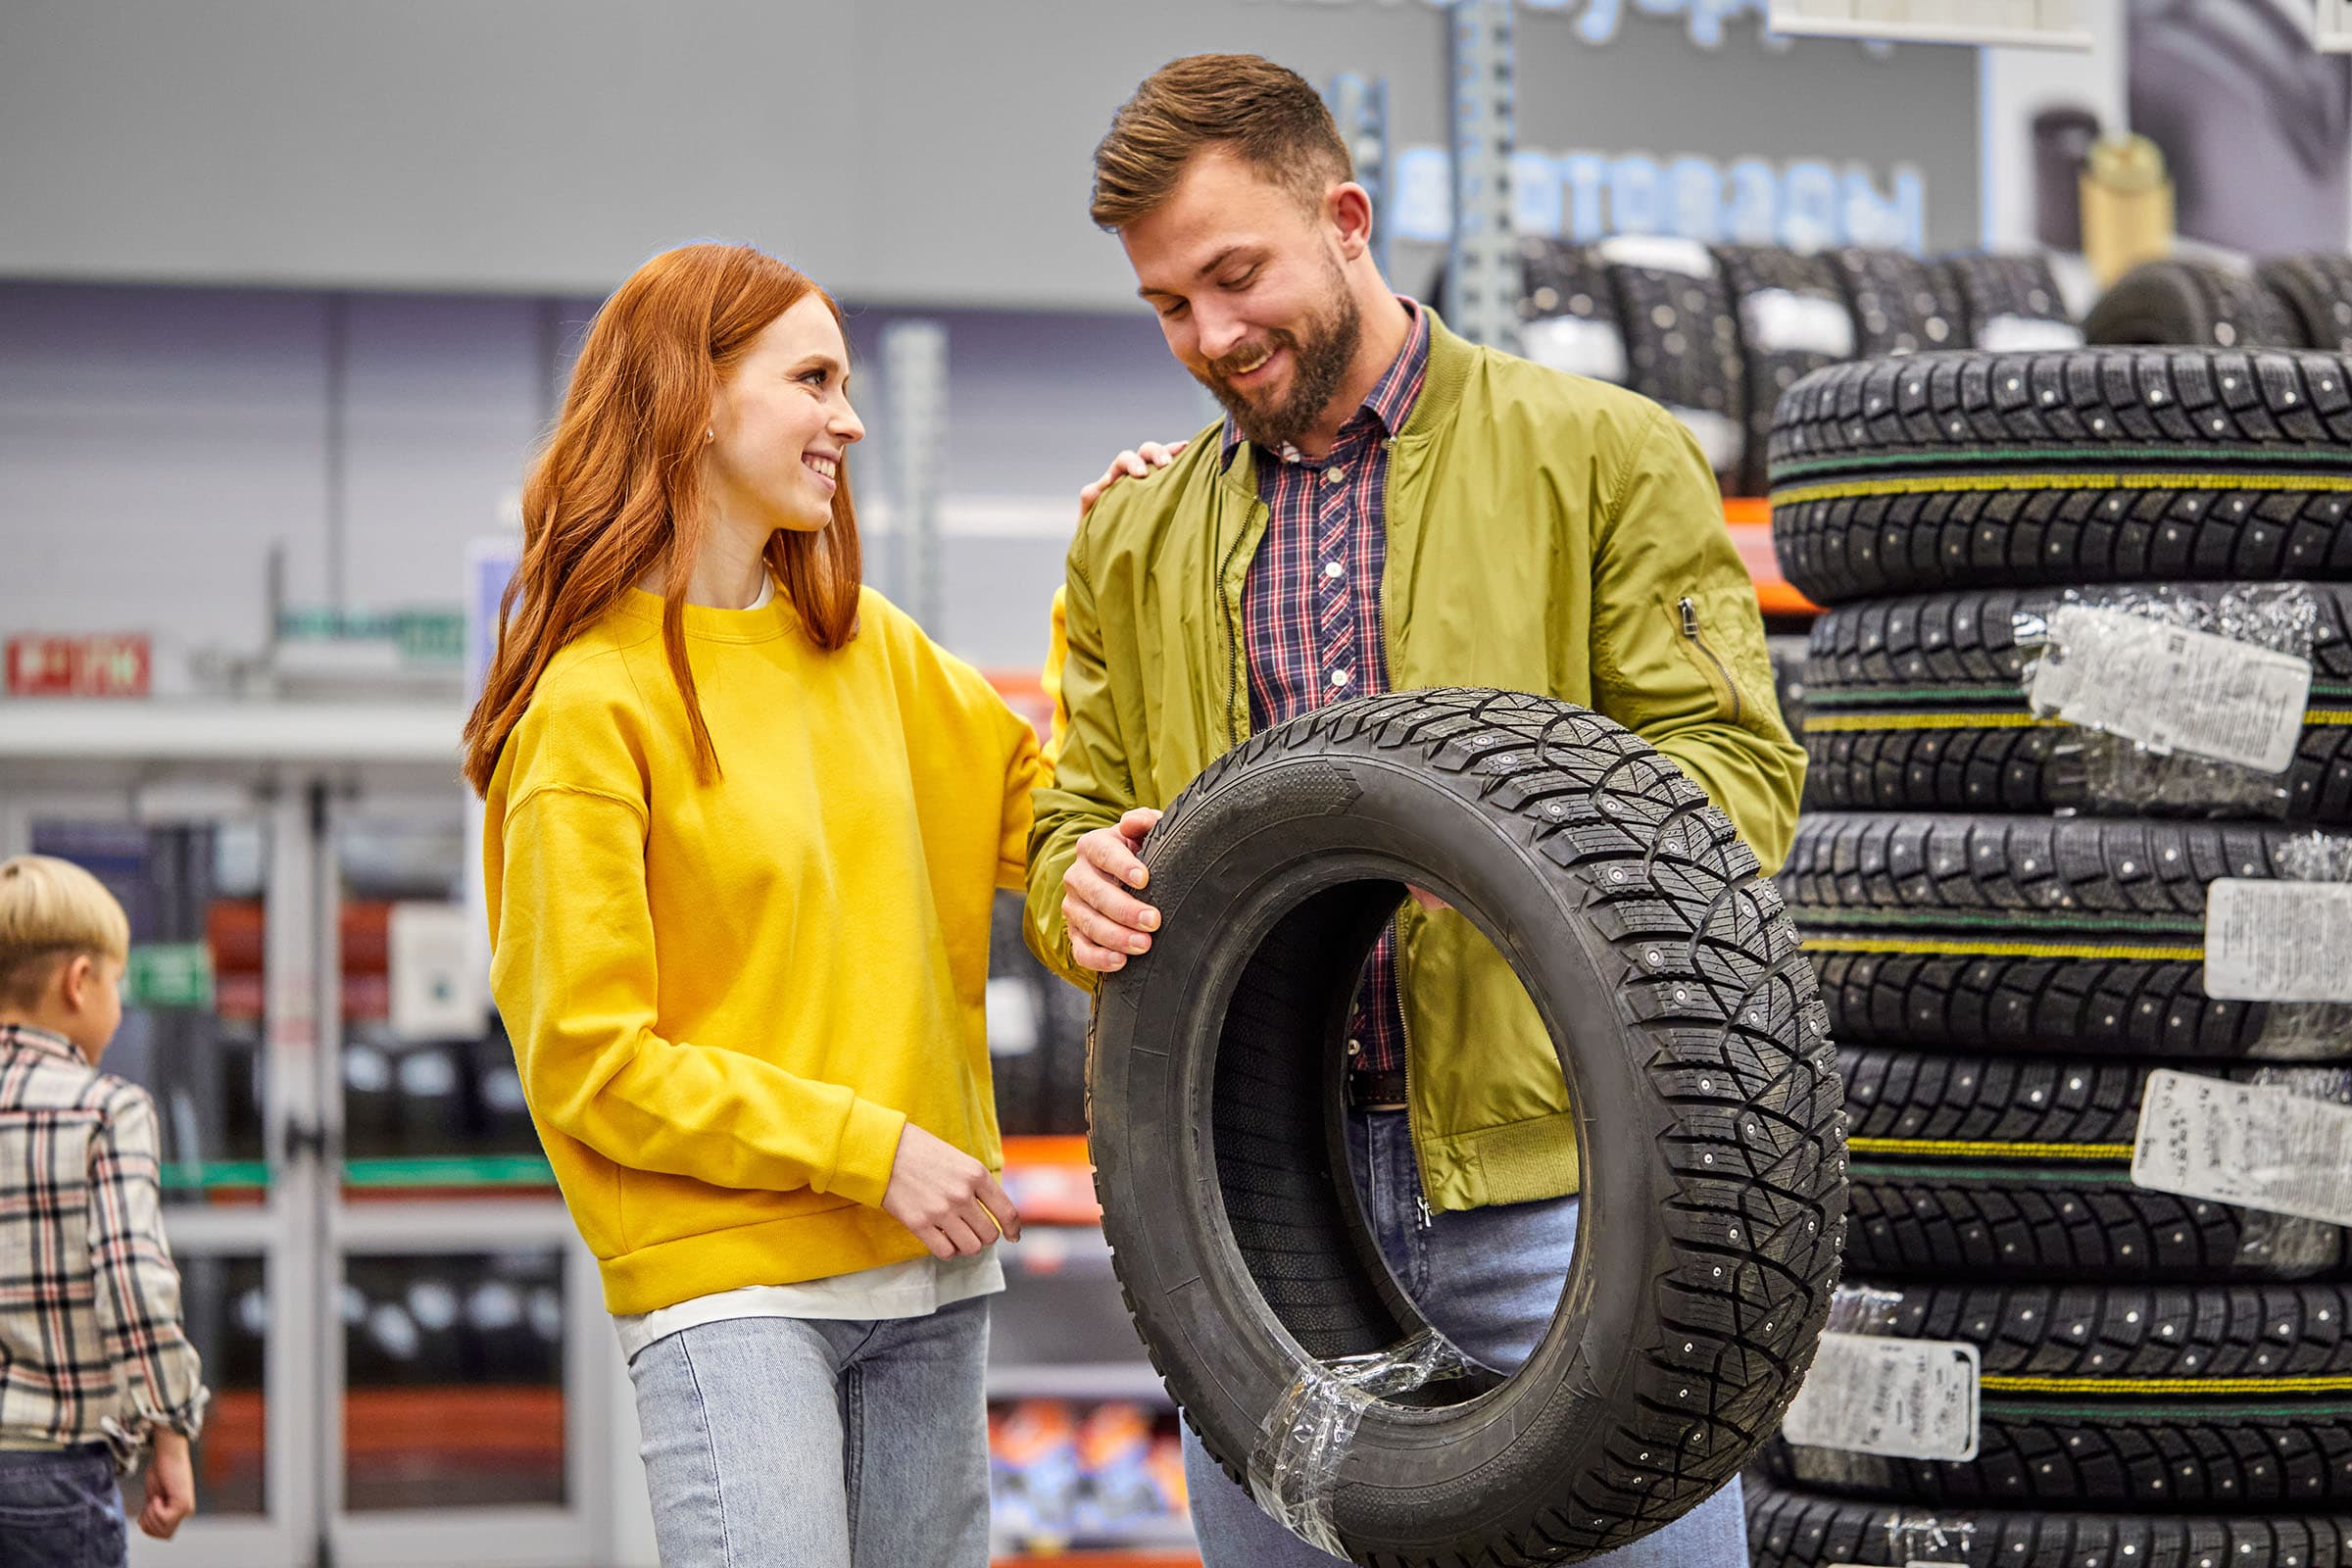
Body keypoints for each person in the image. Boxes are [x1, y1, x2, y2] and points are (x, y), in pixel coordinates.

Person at [1025, 56, 1805, 1566]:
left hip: (1560, 1185)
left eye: (1237, 276)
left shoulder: (1601, 456)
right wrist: (1082, 886)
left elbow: (1740, 783)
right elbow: (1079, 813)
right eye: (1171, 306)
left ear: (1348, 219)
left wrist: (1538, 859)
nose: (1213, 335)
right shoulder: (1132, 533)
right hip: (1244, 1202)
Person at [463, 242, 1041, 1568]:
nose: (847, 418)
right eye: (815, 378)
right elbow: (592, 1065)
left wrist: (1114, 589)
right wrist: (868, 1147)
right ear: (695, 395)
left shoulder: (867, 650)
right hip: (734, 1280)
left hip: (930, 1265)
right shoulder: (591, 710)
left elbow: (1052, 832)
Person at [0, 854, 206, 1568]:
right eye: (116, 982)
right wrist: (170, 1434)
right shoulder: (104, 1109)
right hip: (49, 1471)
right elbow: (132, 1285)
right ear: (79, 981)